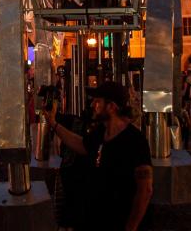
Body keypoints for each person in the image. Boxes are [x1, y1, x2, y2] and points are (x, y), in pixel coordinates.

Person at [45, 81, 153, 231]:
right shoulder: (101, 132)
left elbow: (145, 190)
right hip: (96, 220)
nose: (92, 105)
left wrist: (131, 227)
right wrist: (53, 124)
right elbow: (82, 145)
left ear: (111, 107)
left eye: (97, 101)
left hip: (118, 222)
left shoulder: (134, 140)